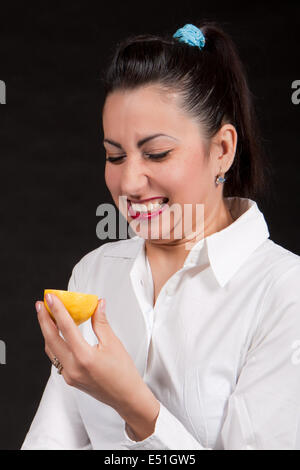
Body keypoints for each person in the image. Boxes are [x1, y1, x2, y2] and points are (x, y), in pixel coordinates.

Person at [21, 21, 300, 450]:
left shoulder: (284, 292)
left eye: (157, 153)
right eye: (114, 155)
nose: (129, 182)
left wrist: (135, 407)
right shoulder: (94, 273)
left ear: (222, 150)